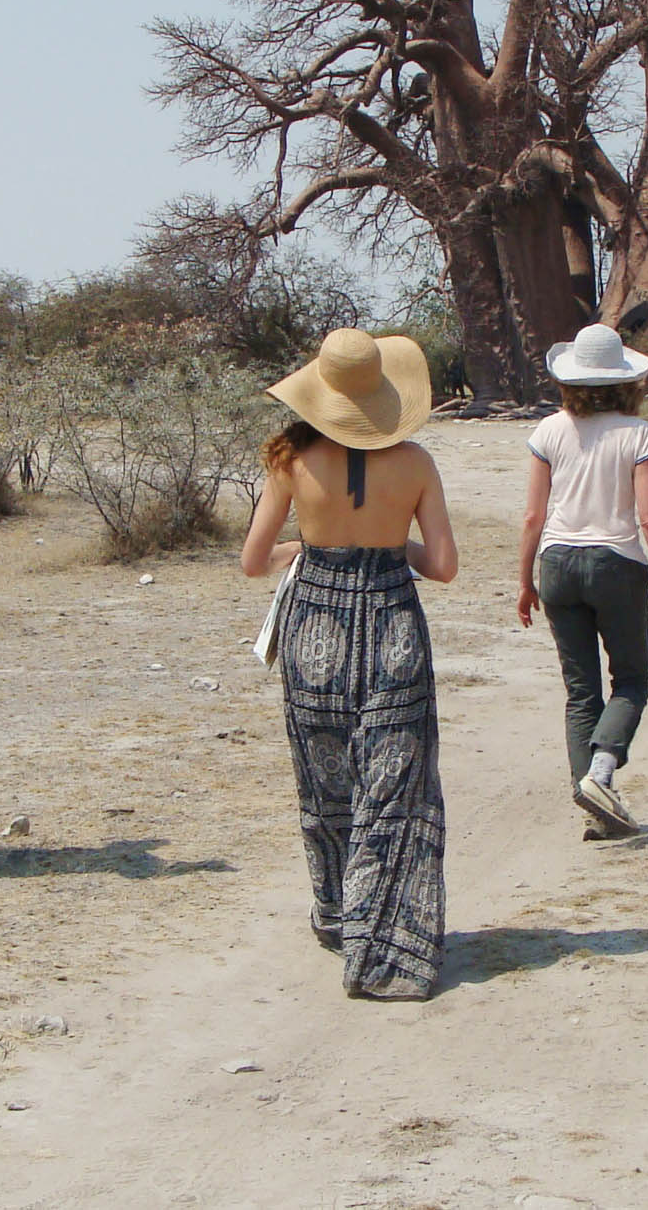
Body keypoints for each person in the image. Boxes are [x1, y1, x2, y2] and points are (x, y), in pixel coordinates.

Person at [241, 328, 457, 1001]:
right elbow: (444, 565)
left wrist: (305, 549)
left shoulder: (290, 461)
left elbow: (253, 560)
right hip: (392, 622)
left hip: (315, 628)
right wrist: (393, 549)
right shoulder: (416, 462)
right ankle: (387, 943)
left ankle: (338, 914)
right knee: (396, 784)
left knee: (326, 776)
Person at [517, 324, 648, 840]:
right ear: (625, 380)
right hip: (616, 563)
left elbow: (532, 515)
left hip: (558, 564)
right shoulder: (639, 434)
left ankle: (593, 800)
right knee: (632, 680)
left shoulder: (548, 430)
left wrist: (524, 580)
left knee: (580, 691)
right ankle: (601, 773)